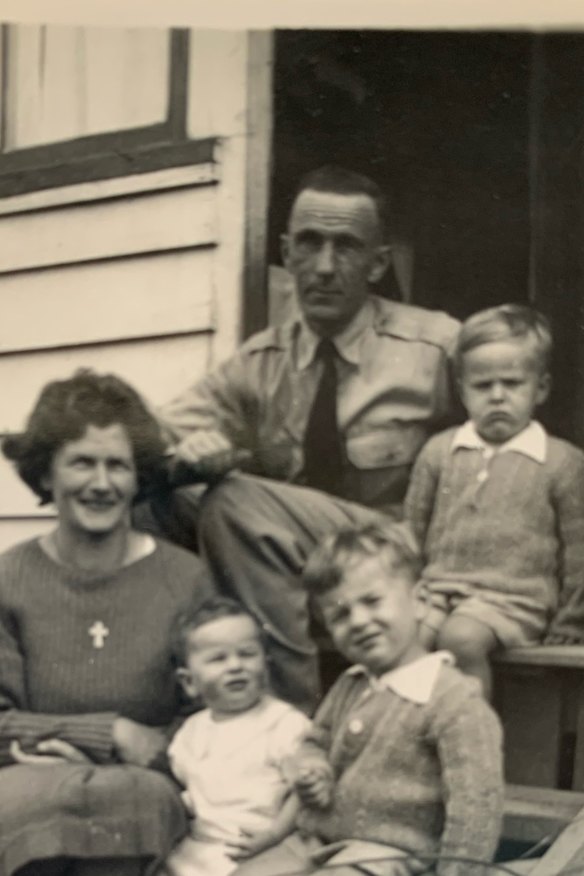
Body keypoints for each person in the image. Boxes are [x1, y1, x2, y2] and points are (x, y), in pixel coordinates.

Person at [155, 165, 460, 712]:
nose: (323, 266)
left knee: (234, 501)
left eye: (346, 247)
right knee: (155, 495)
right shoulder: (260, 362)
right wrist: (183, 459)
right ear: (286, 252)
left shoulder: (435, 347)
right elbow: (155, 435)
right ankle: (172, 695)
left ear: (378, 263)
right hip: (302, 563)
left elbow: (518, 448)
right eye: (309, 243)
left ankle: (287, 722)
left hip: (397, 554)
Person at [0, 370, 214, 876]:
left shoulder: (184, 579)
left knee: (134, 803)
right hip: (29, 786)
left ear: (138, 478)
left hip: (143, 796)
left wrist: (153, 752)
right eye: (82, 463)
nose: (101, 484)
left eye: (117, 465)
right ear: (46, 475)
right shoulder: (9, 579)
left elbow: (213, 714)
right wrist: (111, 733)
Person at [232, 523, 504, 876]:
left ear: (420, 601)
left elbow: (476, 804)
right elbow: (315, 742)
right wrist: (313, 769)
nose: (358, 621)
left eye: (372, 601)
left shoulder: (453, 700)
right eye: (340, 614)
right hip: (318, 839)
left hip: (390, 852)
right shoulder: (351, 684)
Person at [405, 304, 584, 696]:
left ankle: (471, 730)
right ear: (462, 390)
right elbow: (412, 534)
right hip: (438, 592)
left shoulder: (560, 461)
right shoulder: (439, 451)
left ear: (541, 388)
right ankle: (408, 727)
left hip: (514, 600)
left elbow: (579, 553)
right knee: (405, 639)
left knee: (461, 638)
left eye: (513, 384)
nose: (498, 397)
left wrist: (572, 620)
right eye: (483, 386)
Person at [159, 597, 311, 876]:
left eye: (247, 653)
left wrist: (274, 835)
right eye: (218, 658)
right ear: (189, 682)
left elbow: (303, 794)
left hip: (269, 847)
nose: (235, 666)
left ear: (266, 664)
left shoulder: (283, 724)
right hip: (202, 849)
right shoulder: (191, 732)